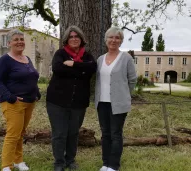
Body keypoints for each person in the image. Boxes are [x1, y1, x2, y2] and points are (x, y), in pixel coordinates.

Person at [46, 25, 97, 171]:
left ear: (81, 39)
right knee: (59, 133)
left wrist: (74, 64)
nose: (74, 39)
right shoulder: (60, 54)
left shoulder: (87, 56)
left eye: (77, 36)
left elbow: (92, 68)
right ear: (66, 40)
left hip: (79, 102)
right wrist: (81, 70)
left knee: (73, 133)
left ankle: (71, 160)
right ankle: (59, 163)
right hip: (57, 102)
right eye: (71, 37)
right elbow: (57, 69)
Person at [0, 29, 41, 171]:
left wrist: (36, 93)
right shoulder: (5, 60)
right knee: (13, 134)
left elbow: (31, 78)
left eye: (21, 39)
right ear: (9, 43)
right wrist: (10, 97)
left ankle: (18, 161)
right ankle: (6, 166)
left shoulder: (28, 59)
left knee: (21, 133)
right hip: (13, 103)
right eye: (16, 40)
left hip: (29, 102)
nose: (20, 42)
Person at [95, 27, 137, 171]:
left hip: (118, 104)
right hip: (102, 103)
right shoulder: (100, 59)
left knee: (116, 134)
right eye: (111, 37)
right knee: (105, 134)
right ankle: (105, 163)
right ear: (106, 40)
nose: (113, 40)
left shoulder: (126, 58)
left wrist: (124, 94)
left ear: (121, 41)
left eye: (117, 38)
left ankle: (113, 165)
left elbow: (132, 80)